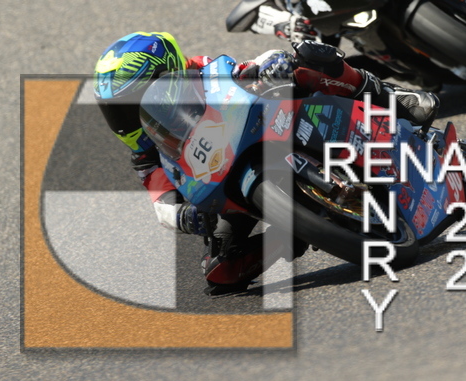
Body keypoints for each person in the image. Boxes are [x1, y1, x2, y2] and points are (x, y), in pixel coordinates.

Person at [93, 31, 438, 296]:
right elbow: (161, 201)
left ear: (166, 72)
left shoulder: (201, 72)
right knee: (221, 272)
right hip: (223, 182)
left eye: (132, 103)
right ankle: (294, 230)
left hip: (261, 125)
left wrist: (270, 66)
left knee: (306, 61)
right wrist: (185, 217)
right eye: (116, 112)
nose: (127, 118)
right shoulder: (146, 152)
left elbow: (246, 69)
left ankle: (391, 96)